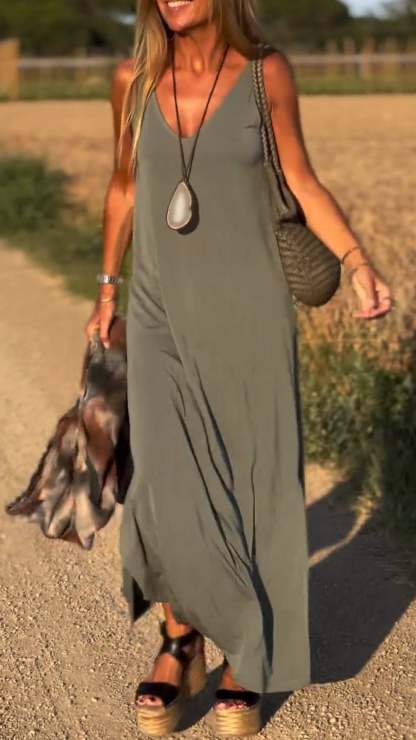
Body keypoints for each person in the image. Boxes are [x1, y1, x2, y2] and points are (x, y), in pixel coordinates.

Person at [85, 1, 392, 736]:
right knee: (163, 481)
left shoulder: (264, 75)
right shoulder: (132, 79)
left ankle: (248, 656)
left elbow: (302, 180)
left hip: (250, 309)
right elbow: (125, 184)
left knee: (255, 479)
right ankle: (180, 638)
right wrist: (107, 289)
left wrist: (358, 263)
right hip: (158, 309)